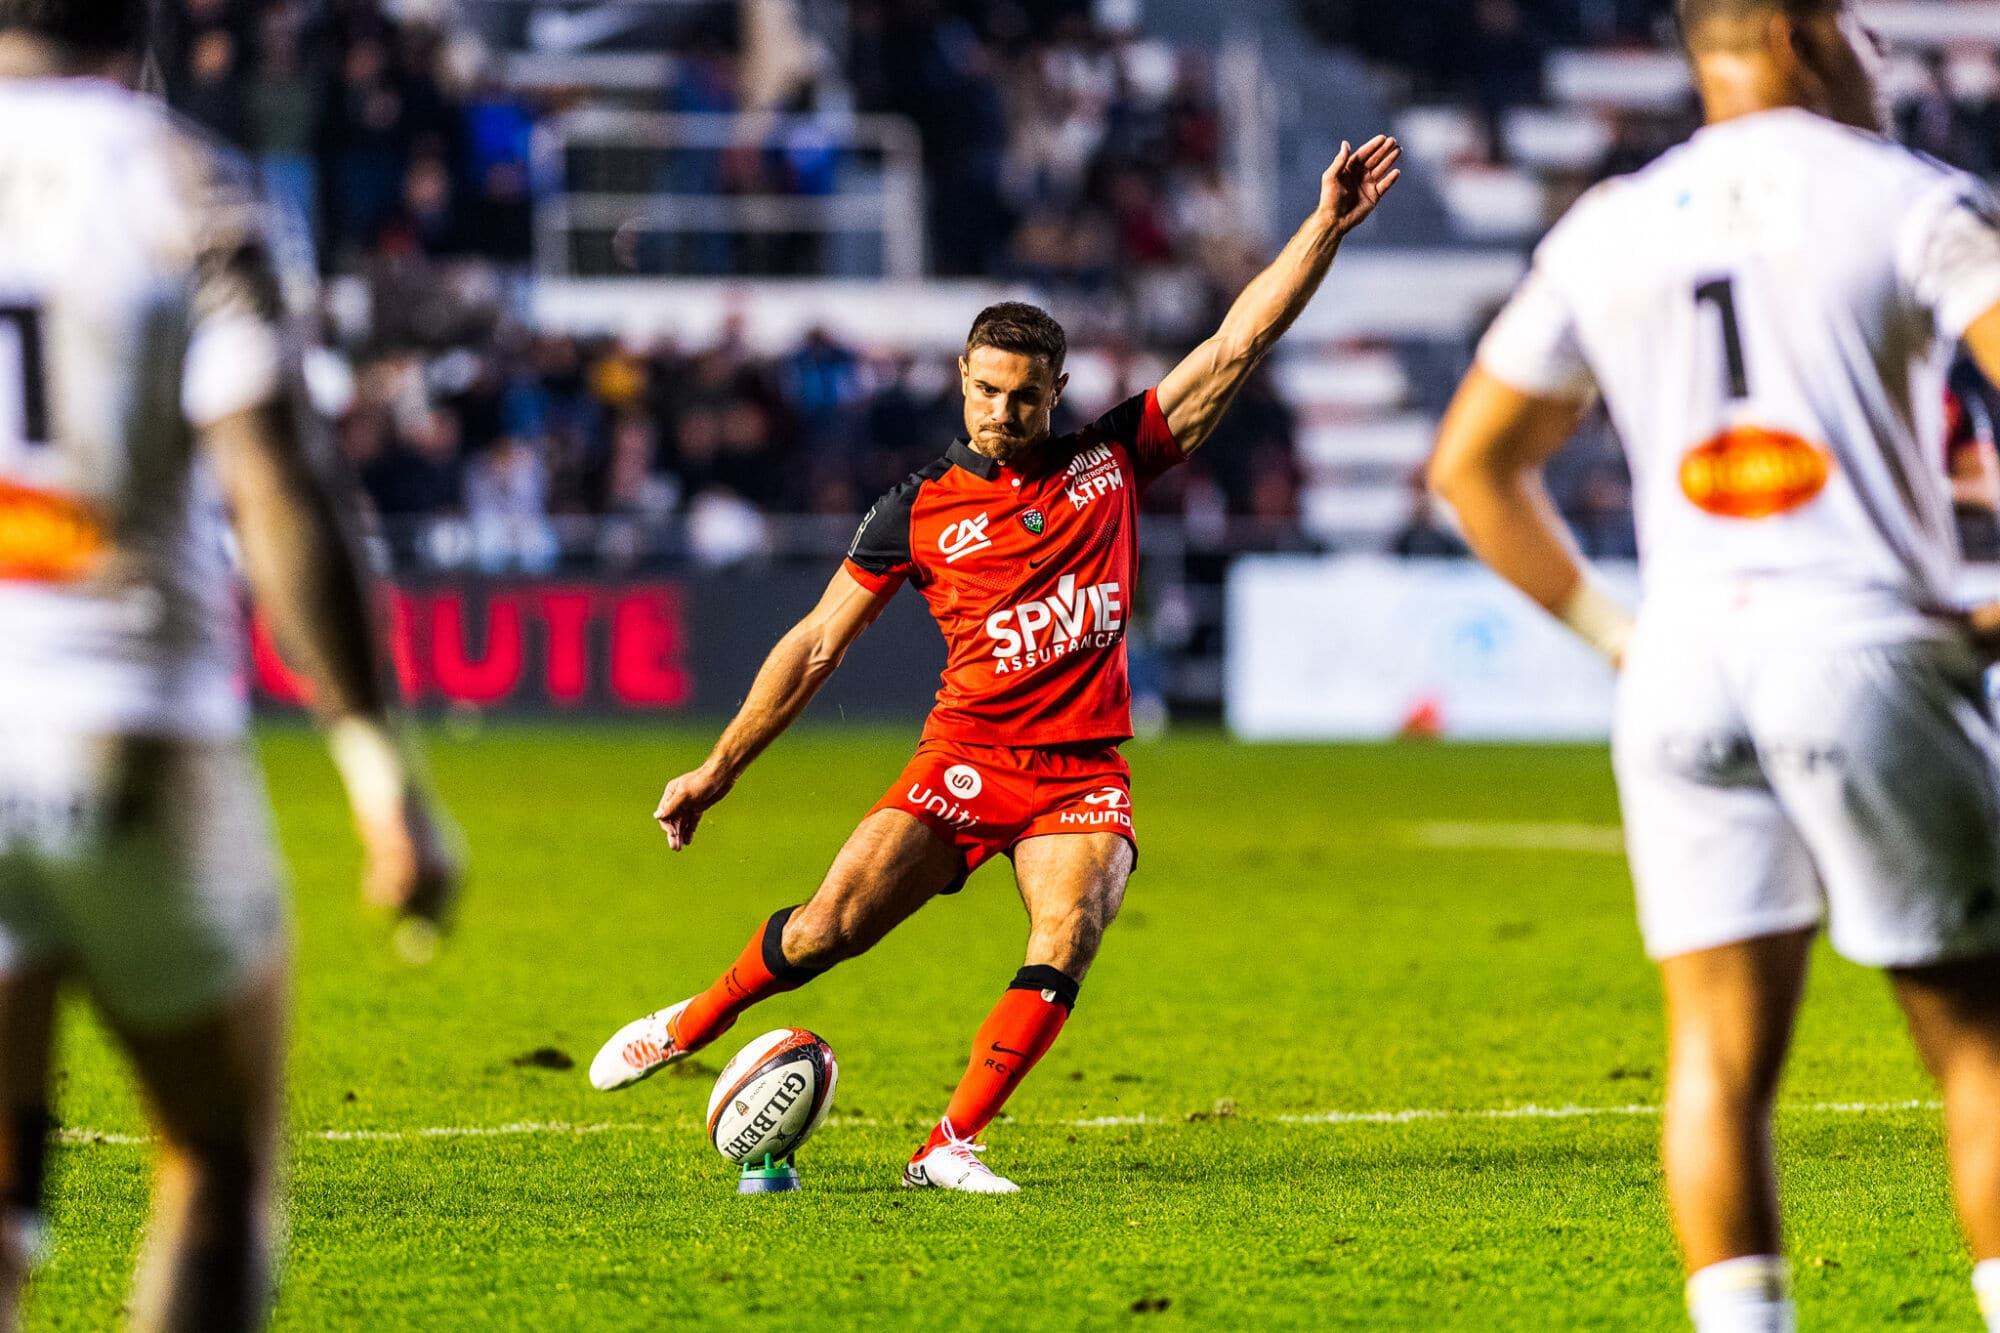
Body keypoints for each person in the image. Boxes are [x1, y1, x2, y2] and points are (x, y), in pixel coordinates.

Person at [590, 138, 1402, 1193]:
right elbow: (814, 643)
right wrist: (718, 769)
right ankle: (690, 1021)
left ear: (1056, 390)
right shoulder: (916, 508)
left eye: (1024, 397)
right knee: (832, 925)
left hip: (1078, 772)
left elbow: (1237, 341)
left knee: (1071, 926)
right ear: (959, 381)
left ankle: (946, 1144)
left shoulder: (1111, 461)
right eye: (985, 392)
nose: (1002, 414)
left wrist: (1324, 223)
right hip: (962, 761)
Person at [1428, 3, 2000, 1329]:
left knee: (1717, 1060)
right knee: (1977, 1037)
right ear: (1801, 37)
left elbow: (1471, 467)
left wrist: (1624, 641)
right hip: (1860, 642)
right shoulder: (1908, 203)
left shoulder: (1611, 222)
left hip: (1683, 668)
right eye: (1868, 36)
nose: (1887, 66)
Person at [0, 1, 461, 1328]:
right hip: (130, 727)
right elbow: (279, 483)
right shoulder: (182, 183)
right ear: (136, 32)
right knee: (212, 1163)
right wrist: (381, 773)